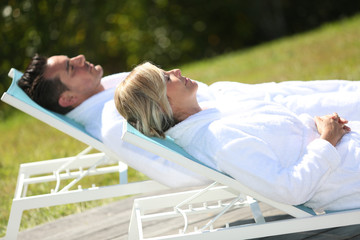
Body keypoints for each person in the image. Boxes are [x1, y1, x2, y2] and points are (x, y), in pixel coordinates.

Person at [115, 61, 360, 211]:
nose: (176, 70)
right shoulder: (219, 138)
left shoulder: (211, 120)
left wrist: (315, 124)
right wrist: (327, 140)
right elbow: (289, 190)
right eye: (166, 77)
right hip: (350, 175)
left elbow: (283, 140)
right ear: (159, 105)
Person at [17, 54, 213, 188]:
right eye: (71, 67)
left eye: (70, 58)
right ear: (68, 99)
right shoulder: (115, 122)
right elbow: (178, 172)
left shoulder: (108, 95)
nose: (80, 58)